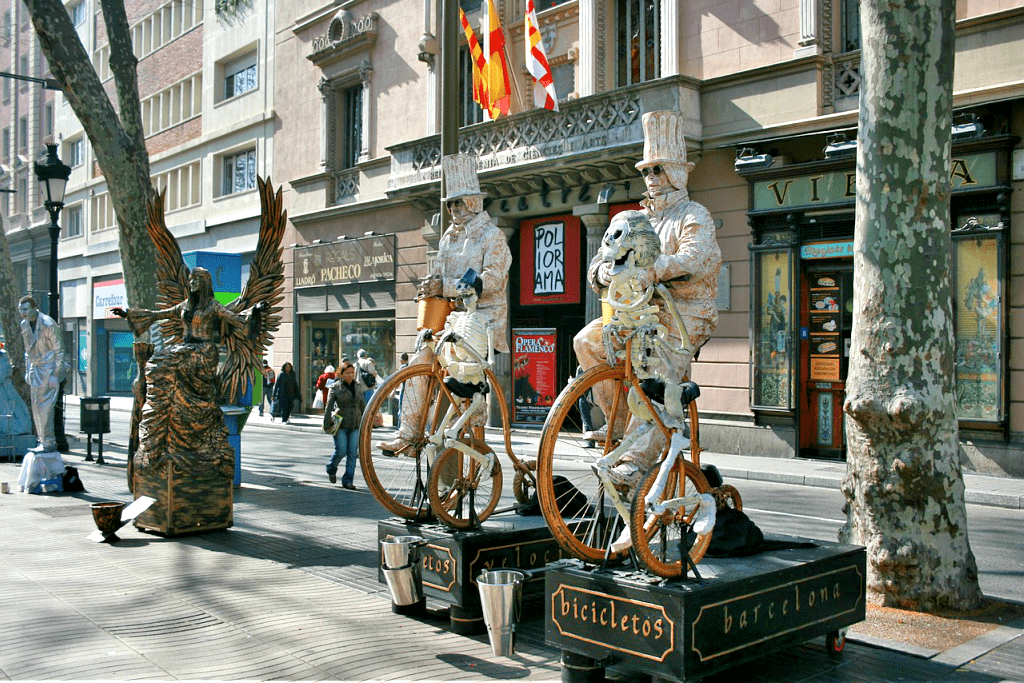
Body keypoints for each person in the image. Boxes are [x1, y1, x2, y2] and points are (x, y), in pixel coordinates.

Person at [573, 110, 722, 449]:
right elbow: (599, 261)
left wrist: (653, 269)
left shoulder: (694, 214)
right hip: (636, 313)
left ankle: (635, 457)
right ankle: (621, 424)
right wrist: (605, 272)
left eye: (658, 169)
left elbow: (695, 258)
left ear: (676, 173)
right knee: (586, 341)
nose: (652, 177)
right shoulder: (634, 218)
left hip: (684, 314)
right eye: (647, 171)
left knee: (657, 374)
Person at [377, 153, 511, 453]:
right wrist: (430, 285)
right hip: (450, 319)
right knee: (421, 359)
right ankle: (409, 435)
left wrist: (447, 285)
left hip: (482, 319)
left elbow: (493, 279)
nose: (453, 209)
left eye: (458, 202)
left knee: (462, 367)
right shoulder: (448, 238)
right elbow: (438, 273)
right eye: (450, 203)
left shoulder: (492, 236)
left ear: (474, 202)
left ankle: (473, 413)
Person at [19, 296, 66, 453]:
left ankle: (49, 441)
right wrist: (28, 370)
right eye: (21, 309)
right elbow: (27, 351)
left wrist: (56, 374)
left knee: (45, 409)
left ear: (34, 308)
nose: (22, 312)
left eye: (25, 309)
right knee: (37, 408)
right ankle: (42, 440)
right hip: (35, 370)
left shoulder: (48, 323)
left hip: (48, 369)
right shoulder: (24, 325)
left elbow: (60, 351)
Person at [323, 361, 365, 489]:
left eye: (352, 373)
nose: (350, 375)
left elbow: (363, 406)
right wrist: (326, 423)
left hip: (355, 424)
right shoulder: (335, 387)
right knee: (341, 451)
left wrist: (368, 422)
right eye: (347, 373)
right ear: (341, 374)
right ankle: (331, 468)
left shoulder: (358, 386)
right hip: (340, 423)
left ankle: (348, 480)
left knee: (352, 453)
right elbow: (329, 407)